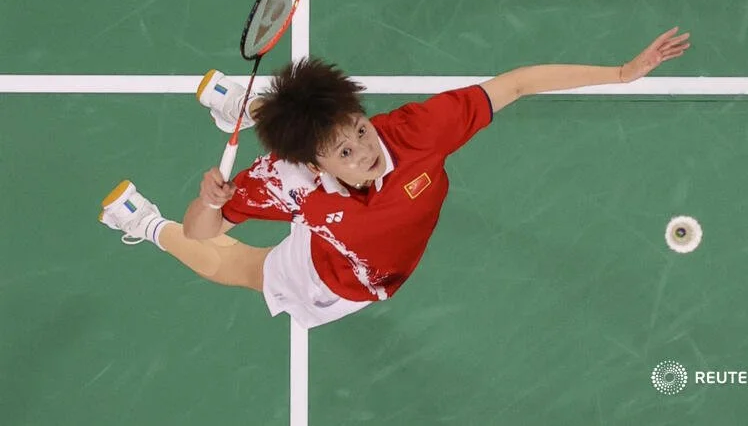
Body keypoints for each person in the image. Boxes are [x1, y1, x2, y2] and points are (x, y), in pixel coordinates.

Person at [98, 27, 690, 329]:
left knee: (311, 127)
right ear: (315, 163)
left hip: (337, 225)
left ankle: (251, 107)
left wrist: (621, 71)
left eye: (358, 129)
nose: (364, 151)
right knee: (237, 267)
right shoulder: (284, 180)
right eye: (344, 152)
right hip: (340, 274)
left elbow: (516, 83)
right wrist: (206, 204)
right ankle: (147, 224)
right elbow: (205, 235)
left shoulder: (415, 131)